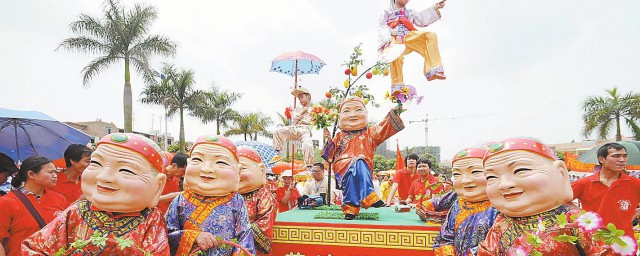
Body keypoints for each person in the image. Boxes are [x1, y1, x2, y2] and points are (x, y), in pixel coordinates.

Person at [23, 133, 170, 255]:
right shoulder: (76, 213)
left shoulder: (151, 218)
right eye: (96, 164)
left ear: (158, 185)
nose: (103, 177)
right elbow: (33, 248)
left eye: (126, 170)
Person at [478, 137, 612, 255]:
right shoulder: (502, 222)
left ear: (561, 172)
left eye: (520, 170)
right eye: (491, 177)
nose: (504, 185)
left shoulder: (573, 221)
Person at [165, 135, 255, 256]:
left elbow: (244, 239)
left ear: (238, 172)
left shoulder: (236, 201)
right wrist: (193, 236)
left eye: (221, 162)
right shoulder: (180, 201)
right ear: (188, 164)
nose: (206, 169)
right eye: (198, 160)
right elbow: (164, 237)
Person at [323, 96, 404, 219]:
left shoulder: (370, 133)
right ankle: (368, 196)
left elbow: (384, 126)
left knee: (358, 163)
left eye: (358, 110)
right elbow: (329, 156)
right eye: (346, 111)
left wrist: (396, 110)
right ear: (340, 116)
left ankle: (350, 210)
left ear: (366, 113)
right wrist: (328, 139)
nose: (353, 115)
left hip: (363, 165)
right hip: (342, 165)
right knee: (356, 163)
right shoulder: (339, 136)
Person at [433, 147, 499, 255]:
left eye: (475, 172)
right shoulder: (458, 205)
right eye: (457, 174)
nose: (465, 180)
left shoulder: (501, 207)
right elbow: (445, 236)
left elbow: (500, 243)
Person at [0, 156, 67, 256]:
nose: (55, 176)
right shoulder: (7, 202)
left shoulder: (60, 199)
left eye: (56, 172)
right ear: (31, 174)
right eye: (50, 172)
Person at [572, 142, 640, 238]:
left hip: (624, 242)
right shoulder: (583, 183)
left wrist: (637, 212)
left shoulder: (635, 183)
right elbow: (561, 201)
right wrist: (580, 214)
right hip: (593, 242)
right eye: (616, 156)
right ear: (601, 159)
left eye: (625, 156)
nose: (622, 160)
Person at [378, 0, 447, 84]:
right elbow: (382, 26)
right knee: (394, 53)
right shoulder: (387, 12)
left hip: (410, 37)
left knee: (430, 35)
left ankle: (433, 68)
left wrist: (435, 7)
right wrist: (386, 41)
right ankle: (397, 84)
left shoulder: (410, 13)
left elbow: (421, 19)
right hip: (395, 39)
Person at [237, 146, 277, 256]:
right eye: (233, 169)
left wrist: (235, 231)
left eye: (243, 169)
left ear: (262, 170)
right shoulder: (227, 194)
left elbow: (264, 225)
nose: (237, 173)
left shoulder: (262, 194)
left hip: (251, 248)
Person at [273, 87, 314, 167]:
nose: (300, 100)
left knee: (308, 144)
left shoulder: (313, 109)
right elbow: (294, 121)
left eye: (302, 97)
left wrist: (302, 113)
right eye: (299, 98)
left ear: (308, 96)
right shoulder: (297, 109)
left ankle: (309, 166)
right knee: (278, 131)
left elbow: (312, 121)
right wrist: (301, 112)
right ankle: (277, 152)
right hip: (295, 129)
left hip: (305, 130)